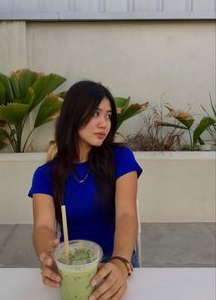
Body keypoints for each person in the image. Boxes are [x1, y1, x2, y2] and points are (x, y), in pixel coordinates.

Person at [28, 80, 143, 300]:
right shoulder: (45, 174)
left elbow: (126, 213)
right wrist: (48, 258)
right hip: (71, 265)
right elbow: (43, 226)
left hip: (117, 261)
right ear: (74, 115)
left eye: (108, 116)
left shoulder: (121, 158)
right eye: (96, 113)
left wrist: (119, 262)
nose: (104, 124)